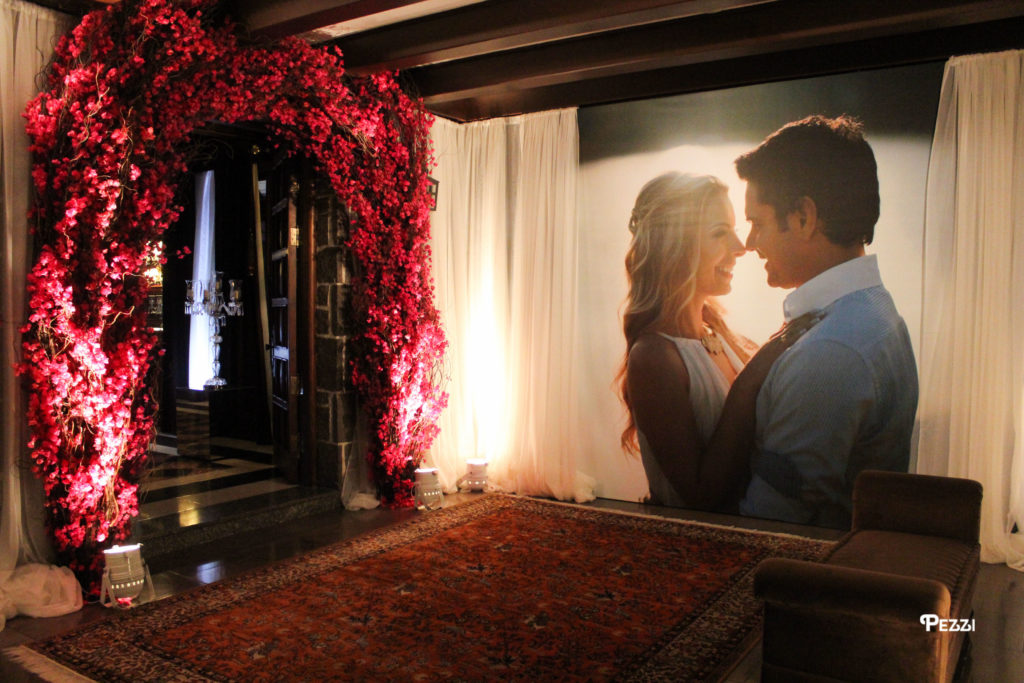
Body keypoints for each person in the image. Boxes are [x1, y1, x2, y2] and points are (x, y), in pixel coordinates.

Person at [734, 114, 918, 528]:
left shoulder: (829, 352)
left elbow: (770, 524)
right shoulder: (873, 310)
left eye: (757, 222)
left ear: (803, 217)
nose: (749, 243)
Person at [619, 172, 814, 512]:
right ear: (674, 246)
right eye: (719, 233)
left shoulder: (718, 331)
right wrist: (750, 380)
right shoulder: (654, 357)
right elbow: (701, 497)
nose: (740, 247)